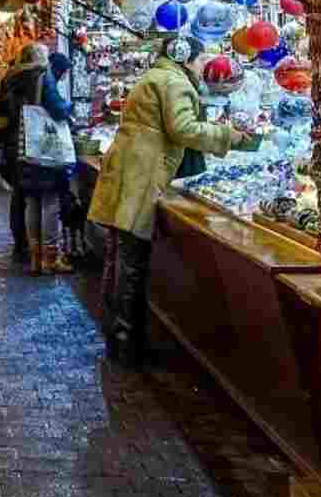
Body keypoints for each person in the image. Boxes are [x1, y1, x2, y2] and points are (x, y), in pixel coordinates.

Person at [91, 36, 253, 366]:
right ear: (184, 56)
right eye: (200, 59)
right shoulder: (174, 82)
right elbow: (183, 129)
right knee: (131, 264)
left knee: (121, 257)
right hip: (142, 174)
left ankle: (118, 335)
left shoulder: (158, 76)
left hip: (131, 171)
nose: (203, 65)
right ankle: (126, 344)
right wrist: (228, 136)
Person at [0, 43, 72, 273]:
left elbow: (1, 110)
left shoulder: (10, 78)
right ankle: (51, 256)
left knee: (31, 200)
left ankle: (35, 257)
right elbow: (57, 109)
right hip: (43, 146)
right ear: (40, 57)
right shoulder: (43, 75)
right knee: (51, 200)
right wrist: (68, 106)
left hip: (18, 146)